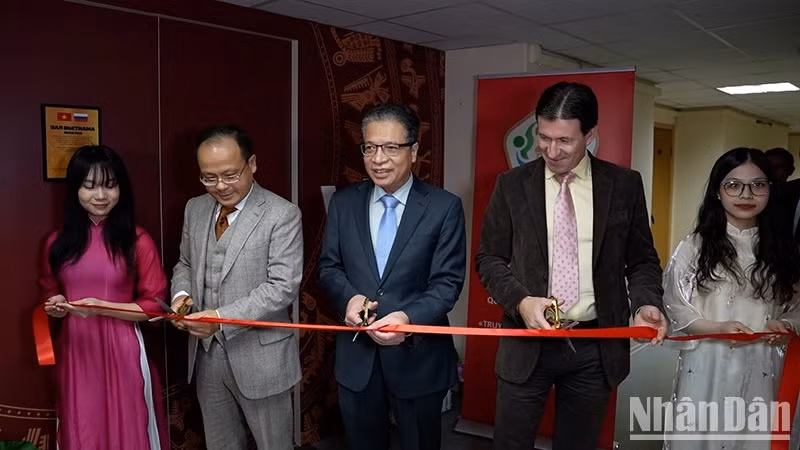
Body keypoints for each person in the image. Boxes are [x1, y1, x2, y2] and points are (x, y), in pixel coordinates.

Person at [474, 81, 667, 450]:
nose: (551, 150)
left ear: (590, 135)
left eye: (564, 140)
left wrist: (646, 304)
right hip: (526, 341)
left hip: (594, 345)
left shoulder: (624, 185)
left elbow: (641, 259)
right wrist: (521, 302)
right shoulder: (512, 185)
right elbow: (489, 258)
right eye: (543, 137)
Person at [318, 103, 466, 450]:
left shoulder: (444, 207)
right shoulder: (344, 203)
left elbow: (447, 284)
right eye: (370, 147)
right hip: (358, 360)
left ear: (414, 151)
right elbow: (329, 268)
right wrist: (350, 299)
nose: (378, 158)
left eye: (390, 148)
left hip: (418, 358)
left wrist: (407, 317)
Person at [170, 125, 302, 449]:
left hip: (263, 357)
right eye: (208, 177)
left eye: (230, 175)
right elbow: (184, 263)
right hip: (207, 358)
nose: (220, 186)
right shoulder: (195, 208)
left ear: (252, 164)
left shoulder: (281, 214)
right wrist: (181, 297)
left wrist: (219, 316)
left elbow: (282, 286)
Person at [662, 148, 800, 449]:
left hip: (763, 361)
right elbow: (675, 304)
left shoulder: (781, 248)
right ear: (717, 191)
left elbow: (796, 306)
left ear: (770, 189)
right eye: (733, 184)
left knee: (754, 436)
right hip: (706, 360)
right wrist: (714, 327)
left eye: (757, 185)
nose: (746, 194)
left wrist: (785, 324)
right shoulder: (694, 246)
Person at [40, 145, 168, 450]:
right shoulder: (57, 243)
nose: (101, 195)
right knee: (82, 428)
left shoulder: (138, 240)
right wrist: (56, 305)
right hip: (77, 349)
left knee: (130, 429)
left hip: (123, 348)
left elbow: (156, 306)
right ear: (76, 190)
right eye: (90, 186)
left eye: (110, 186)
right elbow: (49, 291)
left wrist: (101, 307)